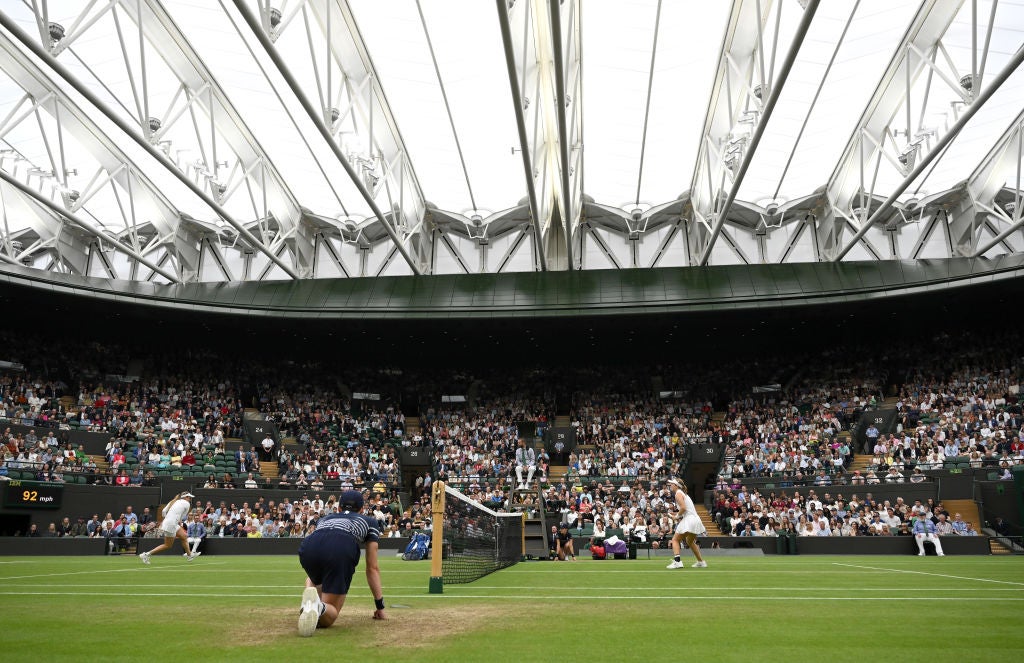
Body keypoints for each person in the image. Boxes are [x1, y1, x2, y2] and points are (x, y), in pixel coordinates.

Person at [296, 490, 385, 637]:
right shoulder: (370, 522)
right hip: (340, 546)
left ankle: (310, 603)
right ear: (362, 510)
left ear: (338, 508)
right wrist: (379, 606)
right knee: (330, 612)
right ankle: (317, 607)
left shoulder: (324, 519)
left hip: (308, 546)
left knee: (315, 579)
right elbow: (372, 568)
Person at [139, 491, 201, 564]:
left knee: (184, 536)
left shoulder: (173, 501)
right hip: (171, 525)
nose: (190, 499)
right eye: (189, 497)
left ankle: (189, 555)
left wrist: (167, 519)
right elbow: (182, 517)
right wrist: (172, 521)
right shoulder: (187, 504)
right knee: (167, 545)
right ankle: (146, 554)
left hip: (170, 523)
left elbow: (163, 511)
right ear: (185, 497)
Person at [665, 478, 707, 569]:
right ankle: (701, 562)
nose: (670, 485)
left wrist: (676, 517)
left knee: (675, 540)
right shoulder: (683, 493)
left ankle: (677, 562)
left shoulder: (678, 493)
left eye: (672, 484)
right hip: (695, 519)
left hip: (690, 520)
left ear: (676, 486)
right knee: (689, 541)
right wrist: (676, 514)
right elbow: (685, 509)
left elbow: (683, 508)